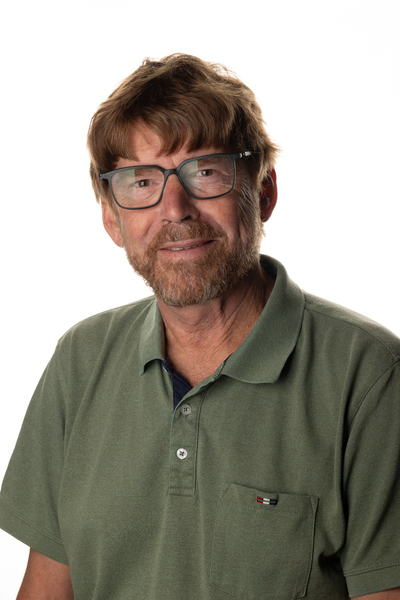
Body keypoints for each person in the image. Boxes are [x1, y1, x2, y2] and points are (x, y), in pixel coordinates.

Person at [0, 54, 399, 600]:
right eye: (141, 181)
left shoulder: (370, 377)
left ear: (263, 192)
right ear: (112, 217)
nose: (175, 209)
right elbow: (47, 590)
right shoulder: (80, 360)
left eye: (205, 171)